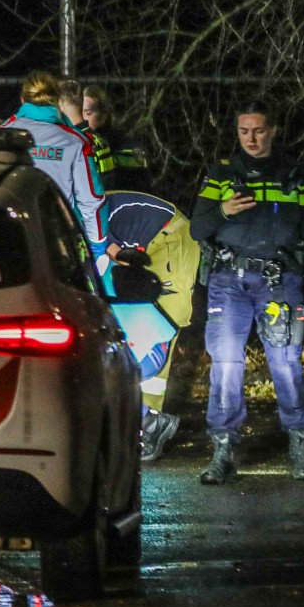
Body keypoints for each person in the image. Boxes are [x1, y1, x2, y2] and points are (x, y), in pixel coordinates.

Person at [189, 101, 304, 485]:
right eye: (244, 131)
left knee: (286, 363)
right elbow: (197, 229)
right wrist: (222, 212)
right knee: (225, 365)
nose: (251, 138)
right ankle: (223, 449)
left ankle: (299, 443)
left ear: (273, 130)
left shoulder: (295, 176)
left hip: (279, 282)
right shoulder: (221, 175)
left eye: (258, 130)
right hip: (228, 282)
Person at [102, 189, 201, 462]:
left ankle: (150, 423)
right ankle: (136, 417)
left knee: (162, 322)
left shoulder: (90, 215)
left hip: (170, 236)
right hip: (132, 247)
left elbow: (106, 253)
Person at [4, 70, 111, 262]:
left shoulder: (2, 135)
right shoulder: (73, 141)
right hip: (59, 243)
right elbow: (91, 199)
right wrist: (97, 247)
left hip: (11, 238)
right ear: (56, 100)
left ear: (22, 99)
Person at [82, 84, 153, 193]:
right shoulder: (79, 144)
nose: (82, 118)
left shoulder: (128, 148)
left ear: (104, 116)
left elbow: (142, 190)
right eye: (79, 112)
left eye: (88, 113)